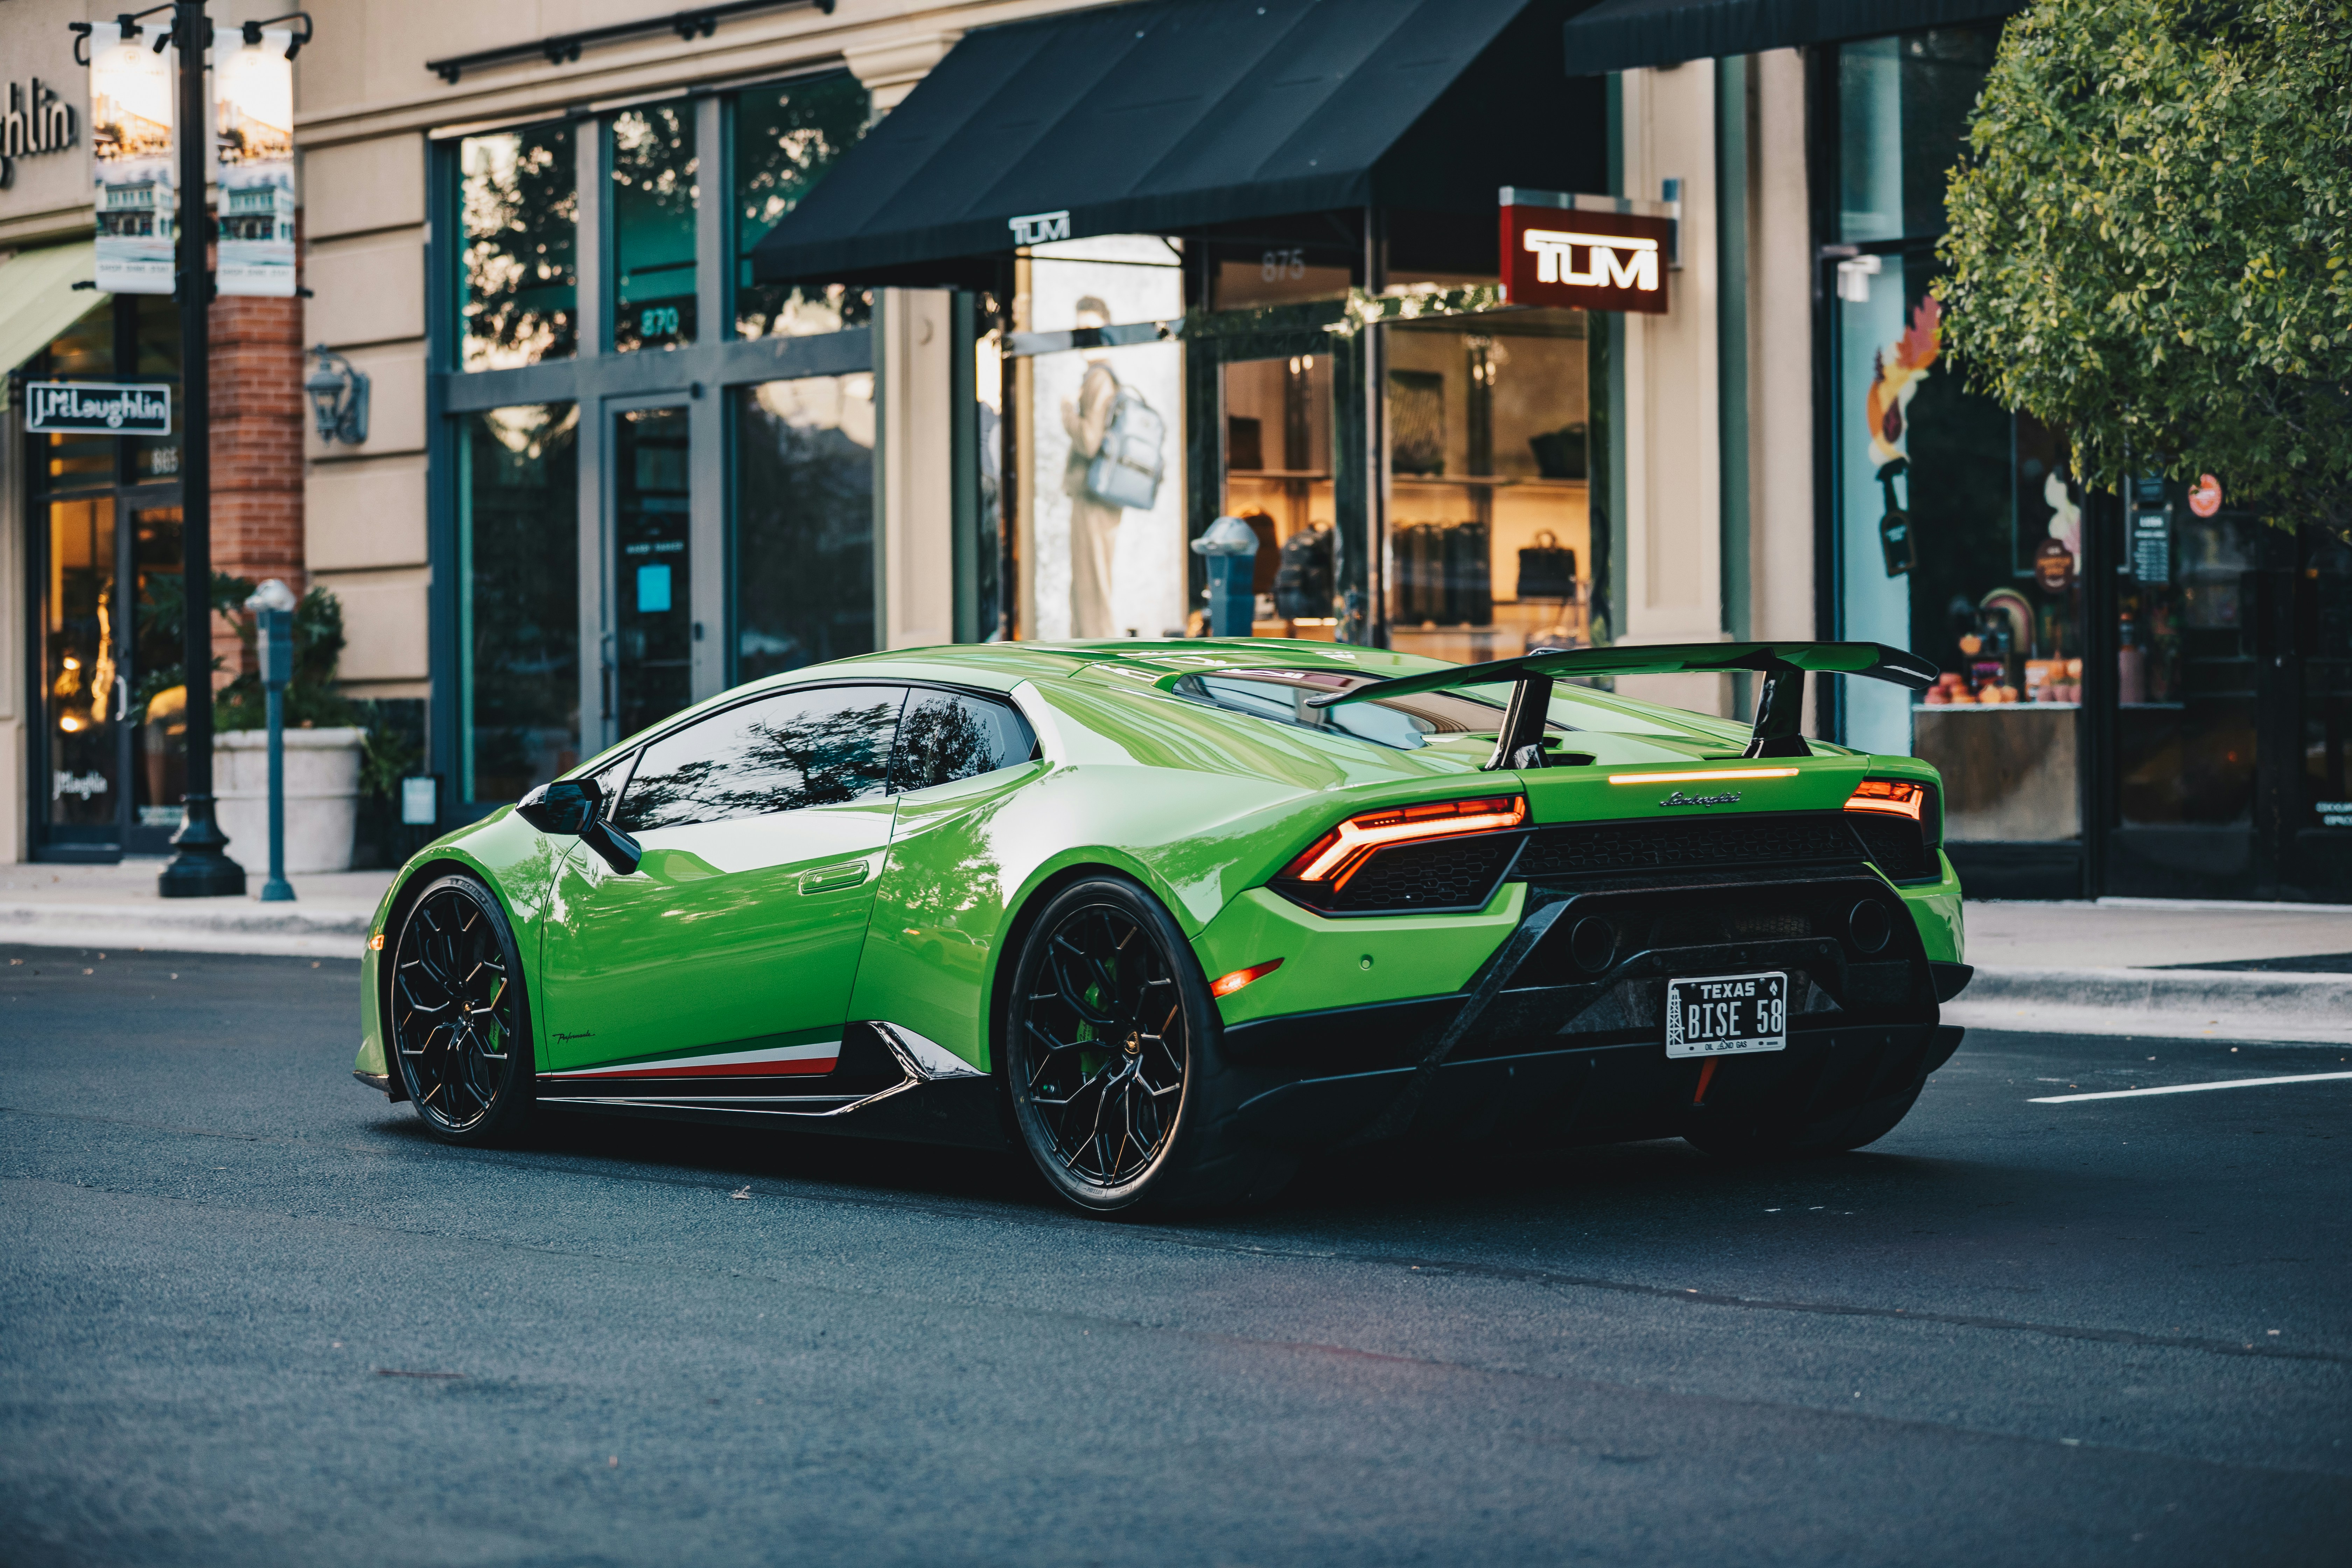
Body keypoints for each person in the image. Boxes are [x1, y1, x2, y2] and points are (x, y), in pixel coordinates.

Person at [1060, 296, 1122, 638]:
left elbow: (1089, 440)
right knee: (1086, 585)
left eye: (1090, 328)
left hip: (1095, 494)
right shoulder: (1097, 376)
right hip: (1095, 494)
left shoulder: (1099, 378)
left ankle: (1097, 663)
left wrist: (1068, 410)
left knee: (1094, 588)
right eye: (1079, 328)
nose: (1084, 337)